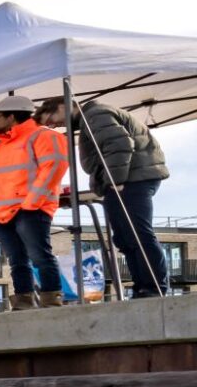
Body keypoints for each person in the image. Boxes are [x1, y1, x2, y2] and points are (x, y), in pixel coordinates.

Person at [43, 94, 171, 299]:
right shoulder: (92, 117)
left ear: (63, 105)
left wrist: (114, 180)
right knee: (126, 236)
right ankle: (145, 286)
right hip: (129, 179)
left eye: (53, 118)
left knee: (137, 234)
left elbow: (119, 144)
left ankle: (153, 286)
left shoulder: (96, 115)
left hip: (130, 180)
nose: (55, 124)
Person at [0, 93, 70, 309]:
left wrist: (31, 203)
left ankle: (51, 303)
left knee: (40, 256)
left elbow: (54, 167)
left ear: (12, 117)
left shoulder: (44, 136)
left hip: (30, 210)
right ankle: (23, 302)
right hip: (4, 213)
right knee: (17, 261)